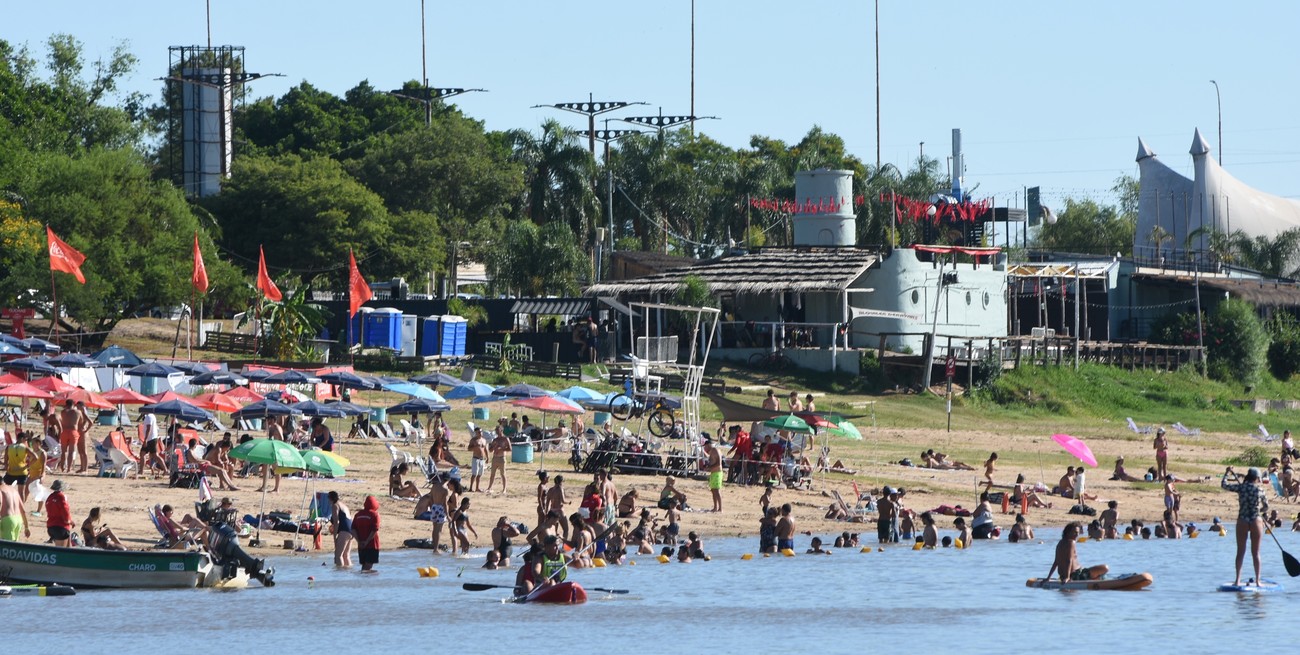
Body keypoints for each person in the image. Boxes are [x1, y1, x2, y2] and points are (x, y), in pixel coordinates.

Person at [1222, 467, 1266, 586]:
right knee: (1256, 553)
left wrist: (1227, 473)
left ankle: (1237, 580)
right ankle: (1257, 581)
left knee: (1240, 551)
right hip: (1255, 520)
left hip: (1242, 519)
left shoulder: (1241, 488)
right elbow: (1265, 507)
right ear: (1256, 478)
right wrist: (1259, 510)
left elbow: (1224, 485)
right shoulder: (1260, 490)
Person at [352, 495, 381, 573]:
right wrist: (367, 541)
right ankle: (367, 584)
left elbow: (353, 529)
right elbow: (374, 529)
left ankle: (362, 582)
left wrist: (359, 541)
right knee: (368, 568)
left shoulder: (357, 515)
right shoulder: (375, 514)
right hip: (372, 545)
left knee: (364, 567)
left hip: (361, 545)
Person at [329, 491, 353, 567]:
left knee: (338, 555)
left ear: (330, 498)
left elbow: (336, 522)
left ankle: (339, 575)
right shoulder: (344, 505)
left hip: (344, 529)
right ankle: (347, 575)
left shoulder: (335, 505)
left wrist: (334, 537)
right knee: (346, 555)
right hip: (352, 529)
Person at [45, 479, 72, 547]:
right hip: (61, 526)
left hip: (51, 525)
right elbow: (65, 510)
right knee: (61, 550)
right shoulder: (61, 496)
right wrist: (69, 520)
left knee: (68, 548)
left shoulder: (50, 497)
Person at [4, 436, 31, 501]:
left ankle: (7, 505)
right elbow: (35, 457)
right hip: (22, 472)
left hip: (11, 472)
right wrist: (27, 466)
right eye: (25, 440)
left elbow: (5, 459)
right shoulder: (25, 448)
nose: (26, 441)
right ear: (22, 439)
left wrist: (6, 467)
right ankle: (21, 509)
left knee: (6, 490)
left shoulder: (9, 447)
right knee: (21, 492)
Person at [486, 427, 511, 493]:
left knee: (503, 474)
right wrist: (493, 447)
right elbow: (490, 450)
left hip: (502, 458)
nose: (497, 432)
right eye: (496, 431)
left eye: (498, 431)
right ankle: (490, 487)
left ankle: (504, 489)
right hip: (495, 458)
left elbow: (510, 448)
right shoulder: (495, 439)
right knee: (492, 474)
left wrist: (501, 449)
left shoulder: (505, 439)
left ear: (501, 431)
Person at [702, 439, 723, 512]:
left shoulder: (716, 450)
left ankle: (720, 508)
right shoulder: (711, 452)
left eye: (705, 447)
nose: (705, 448)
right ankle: (715, 507)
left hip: (717, 473)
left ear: (708, 445)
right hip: (713, 473)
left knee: (717, 490)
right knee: (713, 490)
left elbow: (718, 464)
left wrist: (709, 468)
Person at [467, 426, 488, 492]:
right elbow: (469, 448)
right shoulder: (473, 440)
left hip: (482, 459)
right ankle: (471, 487)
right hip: (475, 458)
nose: (480, 433)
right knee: (474, 474)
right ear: (476, 433)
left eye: (481, 431)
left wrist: (487, 457)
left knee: (480, 474)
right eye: (479, 432)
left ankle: (477, 487)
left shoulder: (484, 440)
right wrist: (474, 447)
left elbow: (485, 449)